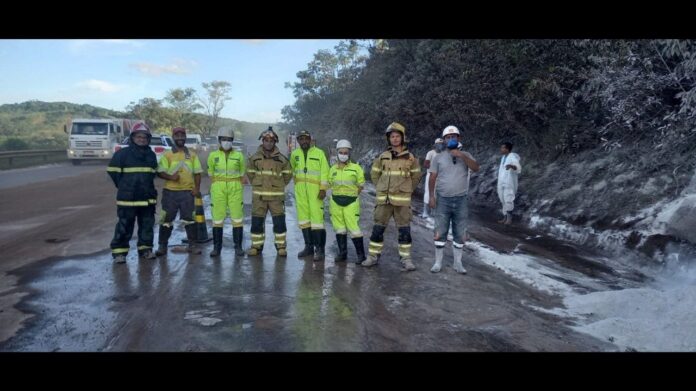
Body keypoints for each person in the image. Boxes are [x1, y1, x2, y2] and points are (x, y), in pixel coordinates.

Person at [362, 122, 421, 271]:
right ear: (388, 139)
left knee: (404, 231)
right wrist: (381, 187)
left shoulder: (410, 158)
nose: (395, 139)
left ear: (402, 138)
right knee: (377, 229)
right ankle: (373, 256)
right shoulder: (383, 157)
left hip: (402, 202)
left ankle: (406, 259)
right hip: (384, 200)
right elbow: (374, 174)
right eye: (392, 136)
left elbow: (416, 177)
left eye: (397, 136)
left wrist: (407, 190)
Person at [428, 125, 480, 274]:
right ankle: (438, 263)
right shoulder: (438, 157)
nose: (451, 139)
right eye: (448, 137)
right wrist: (432, 196)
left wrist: (461, 155)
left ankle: (458, 263)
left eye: (454, 137)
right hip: (443, 199)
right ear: (444, 140)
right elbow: (432, 177)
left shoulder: (466, 155)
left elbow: (476, 168)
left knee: (460, 232)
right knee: (440, 231)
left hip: (461, 200)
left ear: (459, 138)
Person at [107, 122, 158, 264]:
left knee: (147, 226)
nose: (141, 139)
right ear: (132, 137)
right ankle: (119, 253)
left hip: (147, 199)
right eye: (138, 136)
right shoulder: (122, 154)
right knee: (124, 226)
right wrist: (125, 186)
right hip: (127, 199)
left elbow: (152, 175)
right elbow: (113, 173)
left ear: (148, 139)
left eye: (144, 137)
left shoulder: (151, 155)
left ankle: (146, 250)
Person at [155, 127, 203, 256]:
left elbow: (198, 173)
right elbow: (159, 171)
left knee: (190, 220)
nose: (180, 137)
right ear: (173, 137)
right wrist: (171, 177)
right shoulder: (168, 154)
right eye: (177, 135)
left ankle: (192, 245)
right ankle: (162, 246)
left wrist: (197, 188)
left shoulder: (192, 155)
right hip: (170, 193)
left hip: (187, 193)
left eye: (182, 135)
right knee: (166, 220)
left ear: (185, 137)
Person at [246, 126, 293, 256]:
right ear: (262, 141)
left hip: (276, 199)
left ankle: (281, 247)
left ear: (275, 142)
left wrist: (279, 185)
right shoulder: (254, 158)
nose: (268, 143)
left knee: (279, 224)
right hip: (259, 198)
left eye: (271, 141)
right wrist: (257, 184)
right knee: (257, 223)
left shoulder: (282, 160)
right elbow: (250, 174)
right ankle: (256, 246)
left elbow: (288, 175)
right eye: (266, 140)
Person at [290, 130, 331, 261]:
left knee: (317, 221)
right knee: (304, 220)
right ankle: (309, 247)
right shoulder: (295, 154)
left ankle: (320, 250)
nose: (304, 141)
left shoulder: (319, 153)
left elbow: (325, 171)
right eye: (301, 139)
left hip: (315, 192)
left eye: (306, 139)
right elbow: (291, 169)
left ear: (310, 140)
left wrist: (323, 188)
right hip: (301, 191)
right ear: (298, 141)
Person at [207, 127, 246, 257]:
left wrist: (235, 184)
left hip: (235, 188)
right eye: (224, 139)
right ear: (219, 140)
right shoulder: (213, 156)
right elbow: (210, 173)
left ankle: (238, 247)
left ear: (232, 141)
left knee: (237, 218)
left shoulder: (239, 155)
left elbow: (242, 173)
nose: (226, 142)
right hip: (218, 189)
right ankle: (217, 248)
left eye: (229, 139)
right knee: (217, 219)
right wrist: (218, 185)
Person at [328, 139, 366, 263]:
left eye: (345, 152)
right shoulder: (332, 169)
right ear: (337, 153)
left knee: (354, 228)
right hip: (336, 202)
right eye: (341, 152)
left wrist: (353, 195)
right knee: (339, 228)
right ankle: (342, 253)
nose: (343, 155)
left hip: (351, 202)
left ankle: (361, 256)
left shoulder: (356, 168)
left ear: (349, 154)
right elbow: (329, 183)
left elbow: (361, 184)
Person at [497, 141, 521, 225]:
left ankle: (509, 219)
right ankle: (505, 217)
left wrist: (511, 166)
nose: (501, 149)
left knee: (508, 199)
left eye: (503, 148)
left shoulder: (512, 157)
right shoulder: (503, 157)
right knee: (502, 199)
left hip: (509, 182)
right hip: (501, 181)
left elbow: (518, 168)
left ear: (507, 149)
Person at [422, 138, 444, 219]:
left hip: (440, 176)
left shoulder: (443, 154)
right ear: (435, 144)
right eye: (439, 143)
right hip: (431, 175)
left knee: (438, 193)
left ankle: (433, 212)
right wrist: (434, 166)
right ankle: (425, 212)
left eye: (442, 144)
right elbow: (425, 164)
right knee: (428, 193)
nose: (440, 145)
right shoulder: (430, 153)